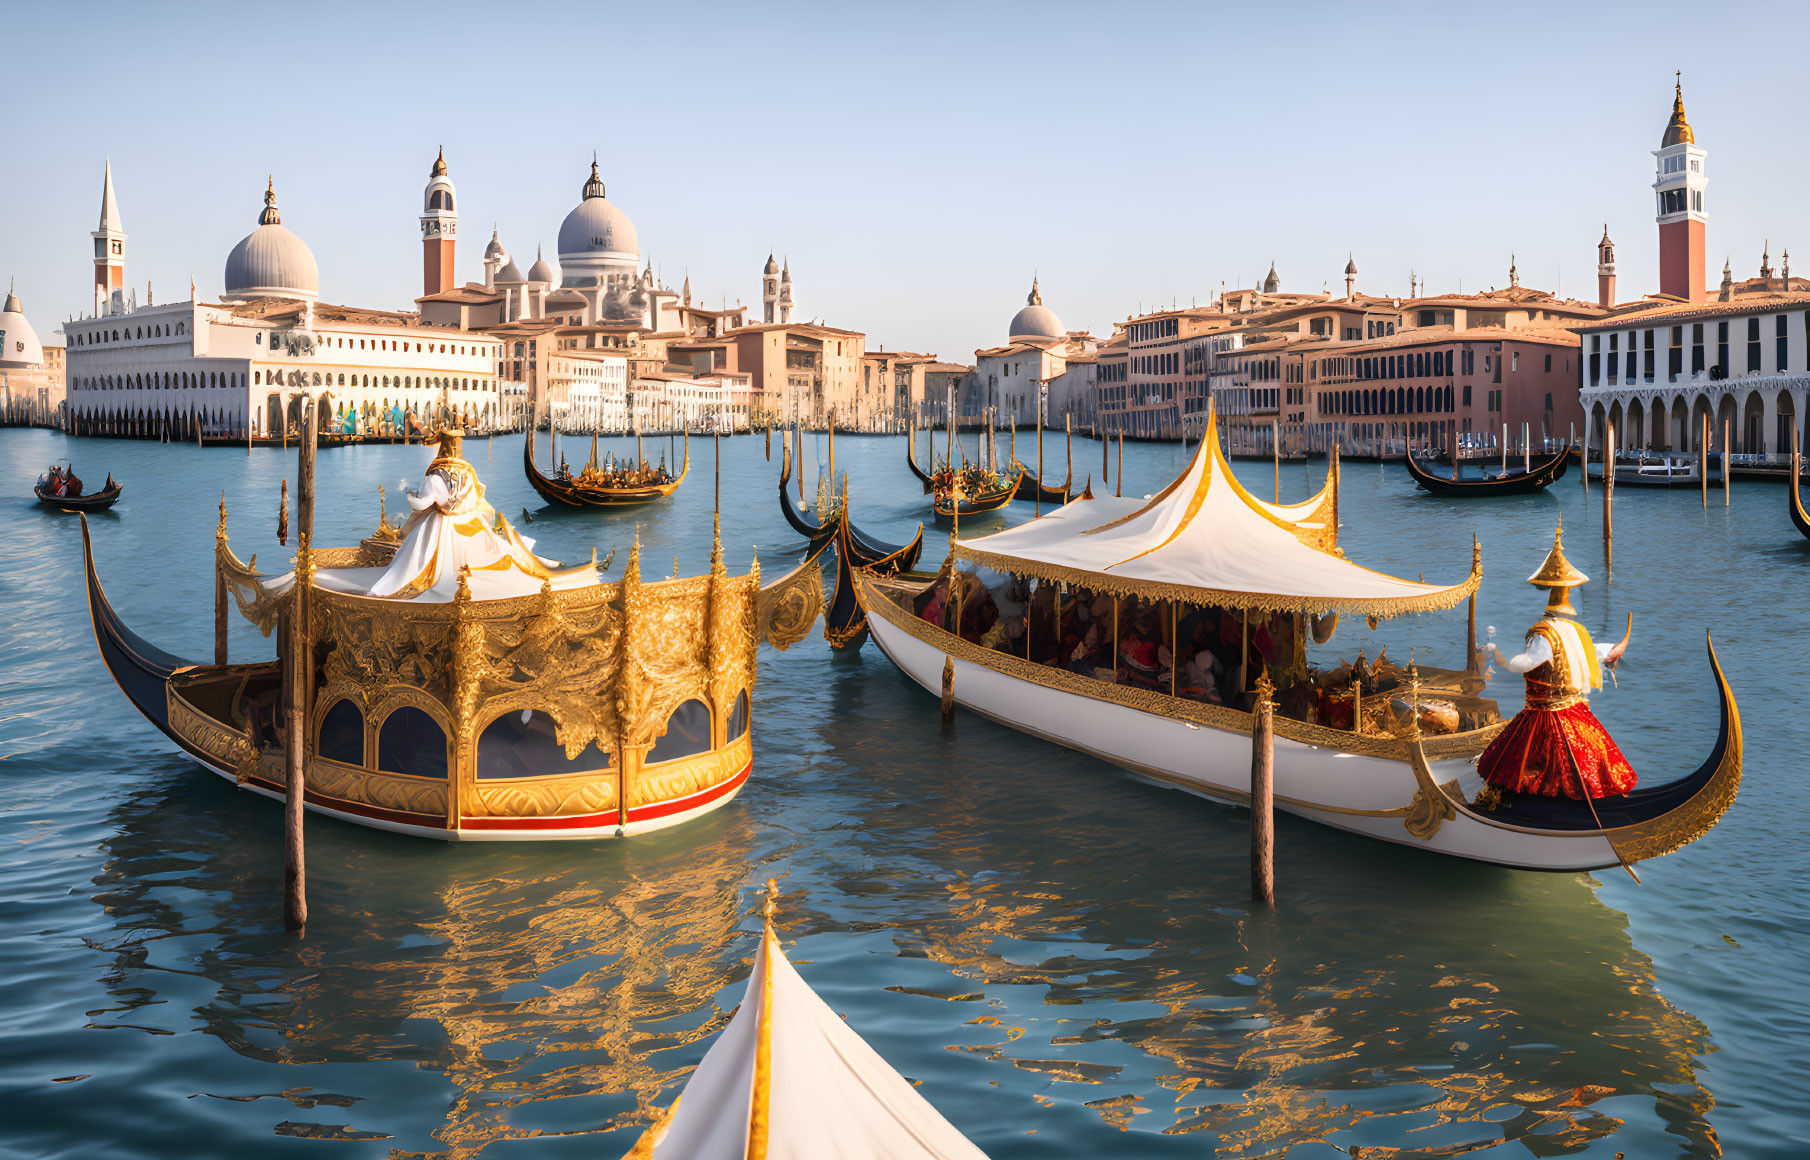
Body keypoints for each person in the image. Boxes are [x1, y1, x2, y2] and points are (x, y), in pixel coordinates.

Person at [1476, 523, 1633, 799]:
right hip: (1574, 708)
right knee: (1587, 759)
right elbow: (1591, 653)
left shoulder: (1544, 633)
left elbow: (1525, 663)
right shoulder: (1576, 631)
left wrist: (1498, 656)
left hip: (1545, 713)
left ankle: (1536, 802)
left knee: (1535, 766)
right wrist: (1611, 652)